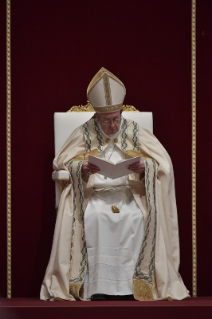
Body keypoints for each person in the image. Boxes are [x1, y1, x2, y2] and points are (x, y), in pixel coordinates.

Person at [40, 67, 189, 301]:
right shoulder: (85, 132)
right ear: (97, 118)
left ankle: (133, 288)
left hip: (130, 195)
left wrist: (145, 168)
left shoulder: (134, 130)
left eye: (116, 119)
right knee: (95, 217)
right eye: (107, 121)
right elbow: (61, 163)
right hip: (95, 196)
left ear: (121, 113)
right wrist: (82, 168)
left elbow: (164, 165)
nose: (112, 126)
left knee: (136, 217)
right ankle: (96, 287)